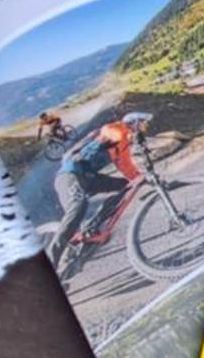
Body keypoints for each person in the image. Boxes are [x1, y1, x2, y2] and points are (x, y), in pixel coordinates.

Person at [50, 111, 152, 265]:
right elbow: (107, 134)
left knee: (126, 186)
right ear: (134, 123)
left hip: (89, 177)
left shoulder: (123, 143)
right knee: (78, 207)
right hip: (70, 175)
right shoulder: (115, 130)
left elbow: (125, 165)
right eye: (143, 123)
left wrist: (140, 178)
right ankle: (52, 260)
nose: (146, 127)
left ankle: (94, 225)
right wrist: (129, 137)